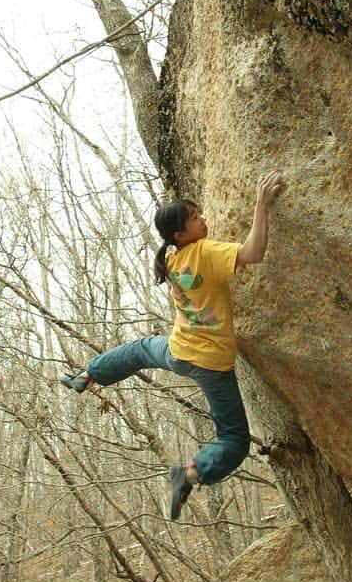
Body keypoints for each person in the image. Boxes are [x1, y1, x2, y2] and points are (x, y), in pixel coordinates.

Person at [60, 171, 284, 520]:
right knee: (235, 439)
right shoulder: (205, 253)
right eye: (195, 218)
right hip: (210, 362)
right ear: (180, 234)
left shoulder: (172, 258)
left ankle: (89, 375)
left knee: (137, 351)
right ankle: (191, 474)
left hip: (178, 351)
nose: (203, 219)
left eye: (199, 214)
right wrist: (261, 204)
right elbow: (253, 253)